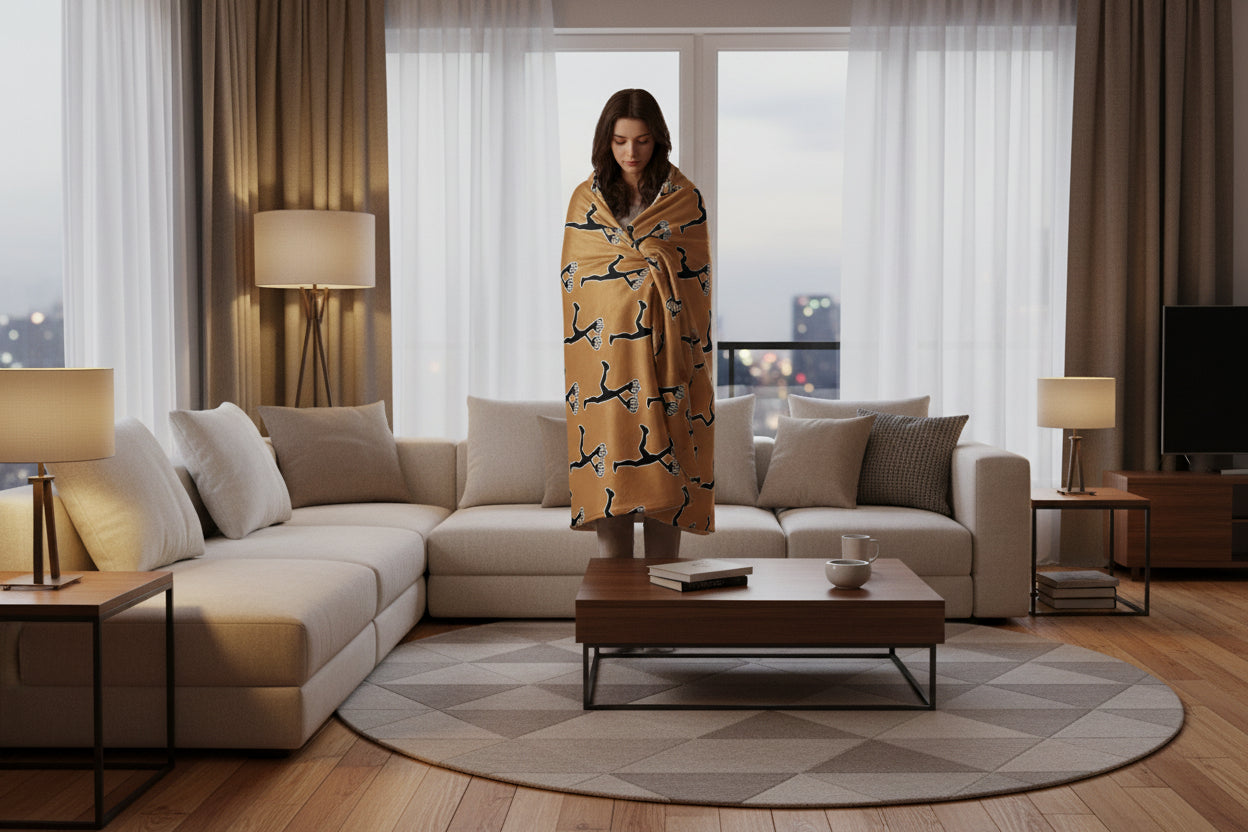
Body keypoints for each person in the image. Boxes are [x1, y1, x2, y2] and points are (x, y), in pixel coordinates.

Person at [560, 88, 715, 558]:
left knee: (670, 503)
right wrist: (637, 274)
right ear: (605, 141)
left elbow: (697, 282)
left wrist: (650, 271)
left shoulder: (684, 199)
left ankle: (665, 630)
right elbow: (577, 283)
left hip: (671, 368)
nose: (631, 153)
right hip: (606, 368)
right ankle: (617, 630)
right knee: (613, 506)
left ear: (659, 141)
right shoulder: (585, 202)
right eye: (621, 141)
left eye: (643, 141)